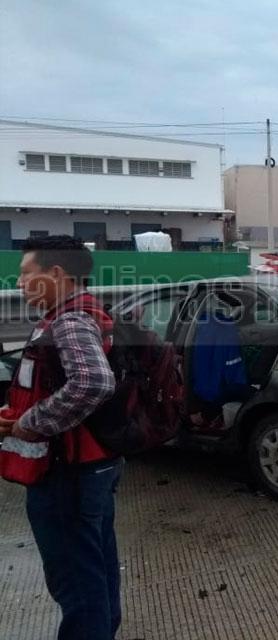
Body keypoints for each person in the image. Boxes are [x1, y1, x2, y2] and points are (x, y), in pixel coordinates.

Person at [0, 236, 120, 639]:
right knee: (95, 573)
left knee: (78, 586)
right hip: (89, 469)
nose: (19, 284)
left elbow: (93, 383)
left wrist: (29, 422)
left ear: (55, 274)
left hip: (66, 475)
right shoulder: (79, 314)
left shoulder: (69, 320)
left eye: (25, 274)